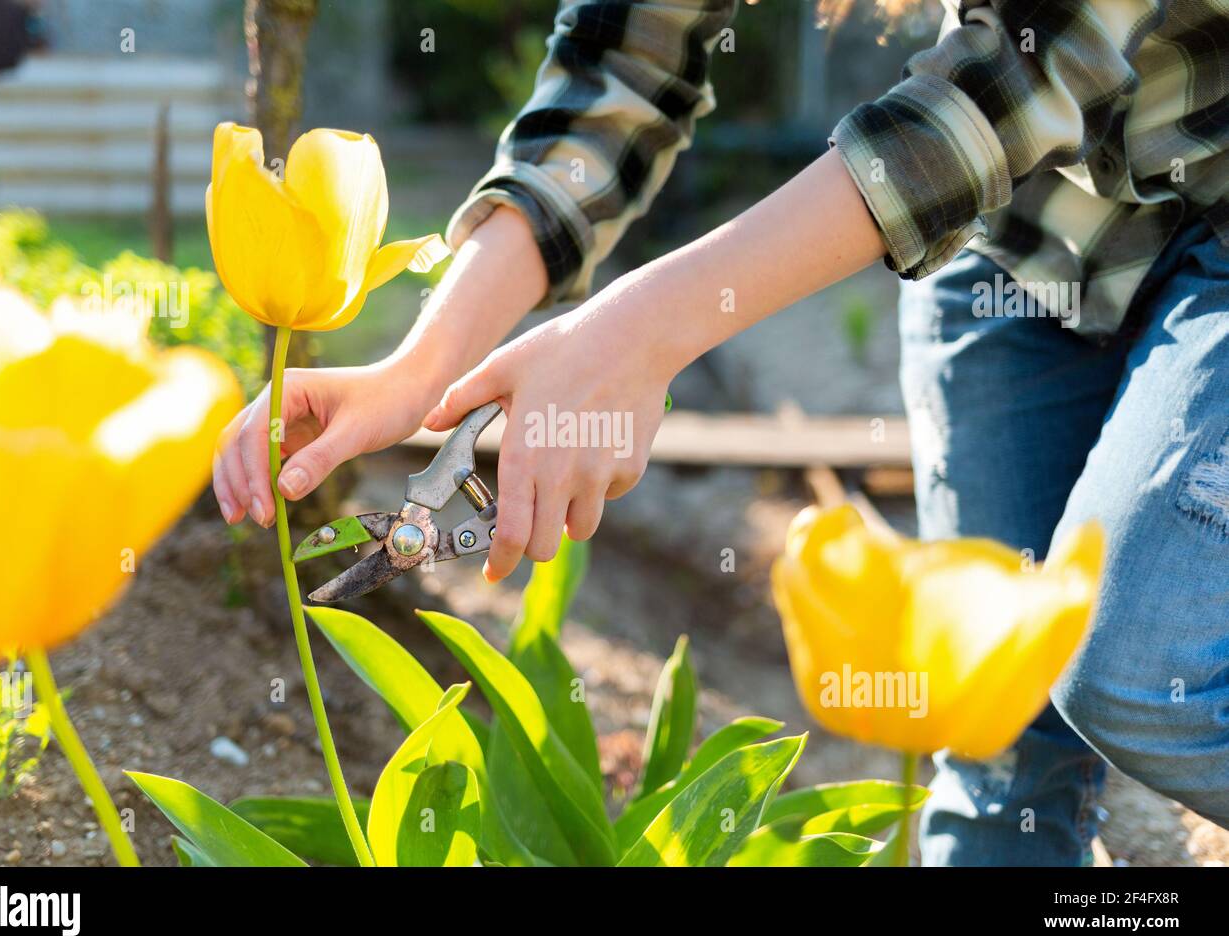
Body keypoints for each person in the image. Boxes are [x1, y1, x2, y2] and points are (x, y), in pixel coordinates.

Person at [211, 0, 1229, 865]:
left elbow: (1020, 70)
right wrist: (422, 368)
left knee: (1141, 676)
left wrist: (639, 333)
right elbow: (622, 58)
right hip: (1022, 229)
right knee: (990, 722)